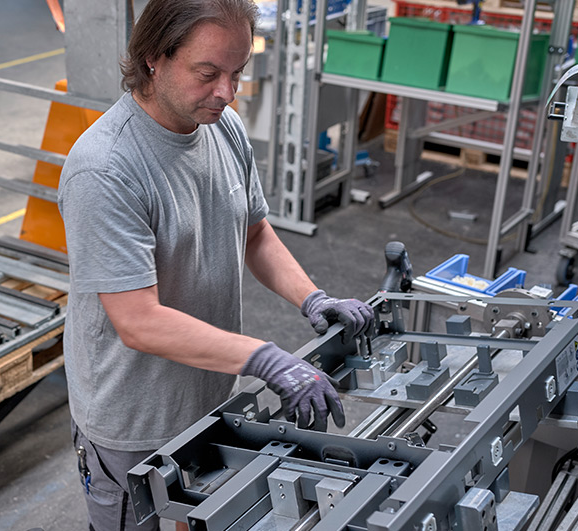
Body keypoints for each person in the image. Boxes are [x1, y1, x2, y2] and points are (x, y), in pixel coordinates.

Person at [57, 0, 375, 529]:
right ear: (154, 57)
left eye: (237, 73)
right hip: (134, 418)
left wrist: (312, 298)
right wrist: (266, 359)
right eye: (208, 73)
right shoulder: (105, 169)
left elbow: (253, 232)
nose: (227, 93)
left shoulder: (221, 128)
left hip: (206, 396)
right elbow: (138, 321)